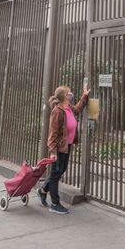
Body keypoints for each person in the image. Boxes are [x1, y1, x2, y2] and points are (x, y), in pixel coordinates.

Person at [38, 84, 89, 215]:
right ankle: (55, 204)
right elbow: (52, 134)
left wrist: (85, 96)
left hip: (67, 145)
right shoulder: (57, 111)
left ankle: (43, 191)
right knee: (56, 173)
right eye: (69, 93)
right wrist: (53, 152)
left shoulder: (68, 107)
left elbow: (78, 109)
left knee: (61, 170)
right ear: (64, 96)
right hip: (59, 147)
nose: (71, 94)